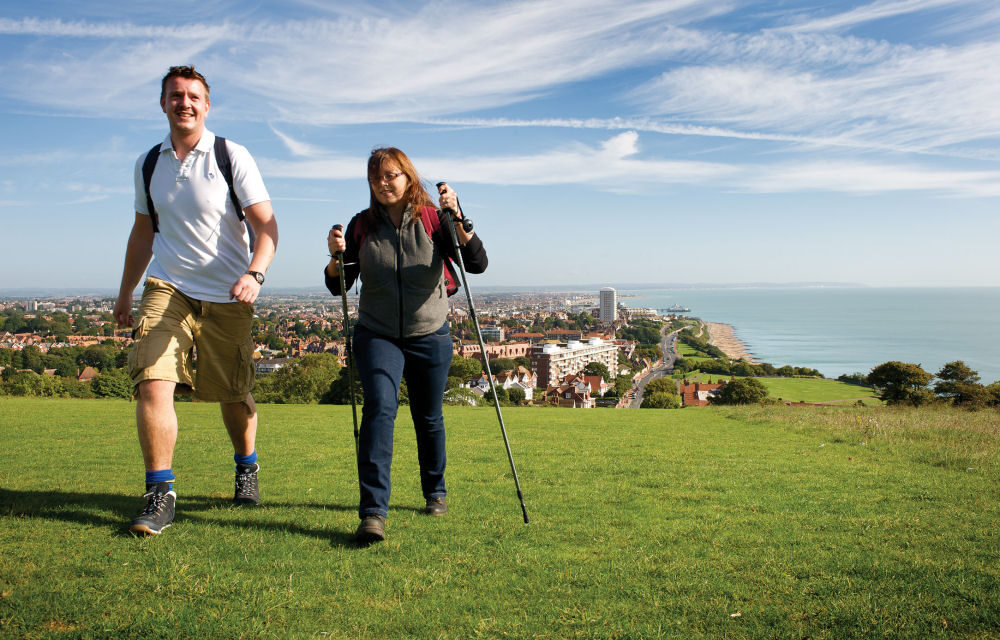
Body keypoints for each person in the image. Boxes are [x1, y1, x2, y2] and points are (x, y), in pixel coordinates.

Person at [113, 65, 278, 535]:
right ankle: (159, 493)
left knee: (232, 391)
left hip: (229, 291)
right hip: (168, 288)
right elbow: (143, 233)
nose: (183, 103)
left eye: (192, 96)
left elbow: (267, 227)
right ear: (162, 103)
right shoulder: (149, 164)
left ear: (206, 105)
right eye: (175, 95)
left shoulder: (230, 155)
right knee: (152, 379)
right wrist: (126, 291)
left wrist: (255, 274)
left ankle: (246, 467)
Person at [325, 147, 487, 544]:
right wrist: (334, 258)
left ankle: (435, 492)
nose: (383, 183)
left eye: (391, 175)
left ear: (408, 177)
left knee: (428, 417)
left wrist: (458, 217)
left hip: (429, 333)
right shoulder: (361, 224)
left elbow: (477, 263)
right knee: (380, 410)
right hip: (376, 334)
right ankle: (373, 513)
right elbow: (339, 284)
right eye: (376, 177)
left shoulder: (434, 219)